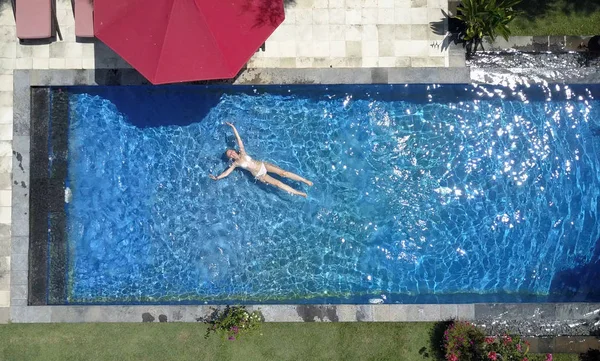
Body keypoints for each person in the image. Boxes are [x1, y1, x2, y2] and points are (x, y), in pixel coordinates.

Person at [209, 122, 313, 197]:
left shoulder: (242, 151)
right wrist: (217, 177)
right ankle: (299, 193)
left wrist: (232, 127)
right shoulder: (235, 164)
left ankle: (305, 180)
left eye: (231, 151)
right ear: (230, 158)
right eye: (229, 155)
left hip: (263, 165)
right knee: (278, 184)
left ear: (233, 151)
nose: (231, 153)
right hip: (260, 175)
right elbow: (227, 172)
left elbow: (238, 139)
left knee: (284, 173)